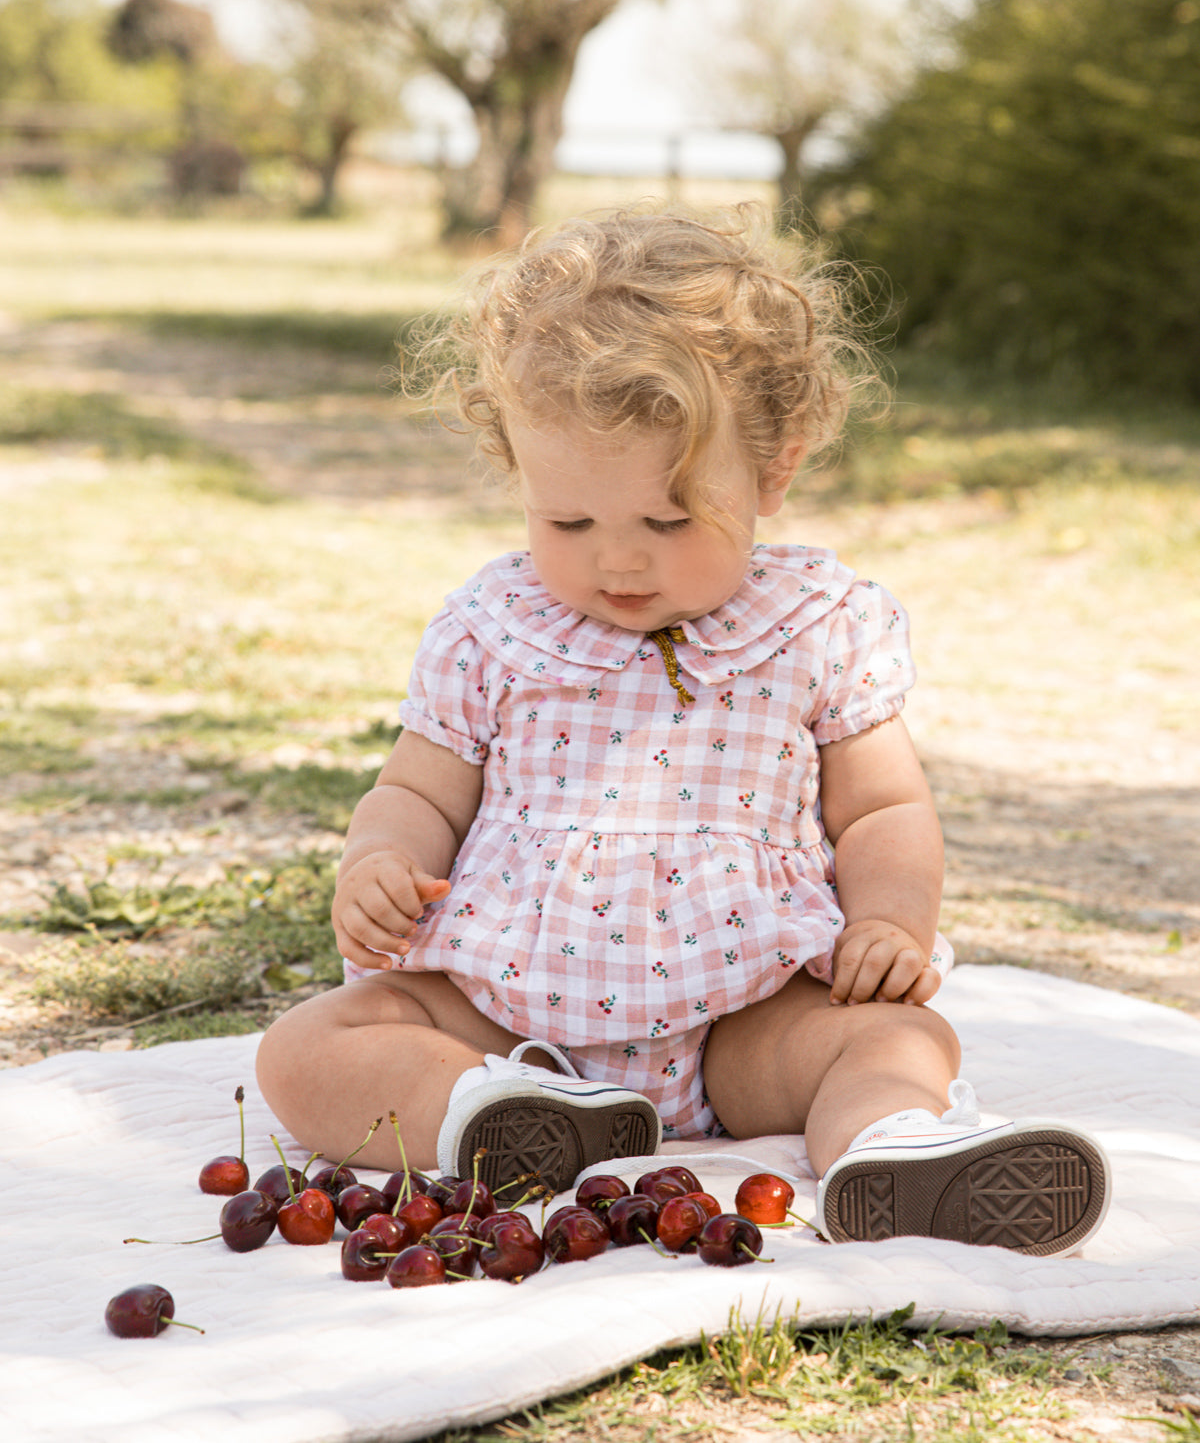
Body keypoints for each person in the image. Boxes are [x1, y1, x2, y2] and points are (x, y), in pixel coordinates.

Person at [256, 206, 1109, 1254]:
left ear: (773, 470)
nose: (618, 561)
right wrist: (378, 863)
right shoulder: (493, 625)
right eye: (568, 521)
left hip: (743, 1017)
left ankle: (893, 1146)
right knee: (306, 1049)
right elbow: (417, 790)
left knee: (896, 1037)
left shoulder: (818, 624)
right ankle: (489, 1113)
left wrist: (890, 923)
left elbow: (884, 807)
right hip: (506, 1011)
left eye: (668, 521)